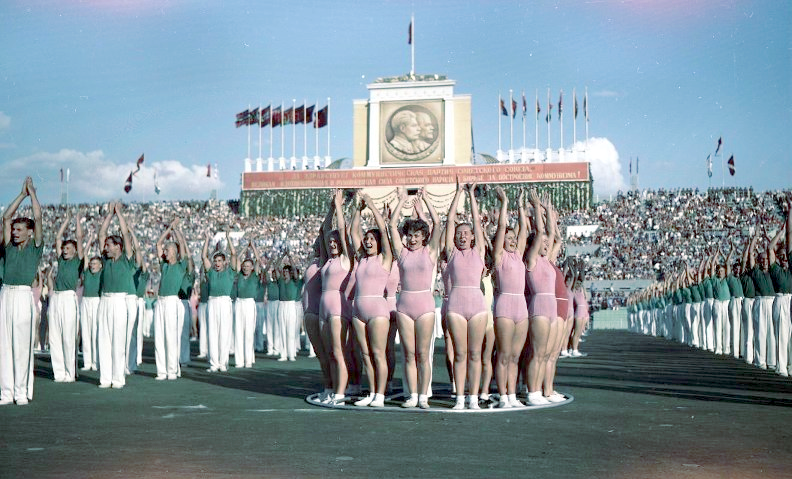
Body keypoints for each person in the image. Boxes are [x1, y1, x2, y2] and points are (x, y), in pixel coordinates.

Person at [389, 187, 442, 408]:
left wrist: (428, 201)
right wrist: (402, 202)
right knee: (408, 354)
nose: (412, 239)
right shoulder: (401, 252)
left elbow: (438, 225)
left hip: (425, 307)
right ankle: (412, 395)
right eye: (409, 235)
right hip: (404, 307)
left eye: (416, 235)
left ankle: (423, 397)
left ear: (424, 237)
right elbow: (391, 225)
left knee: (423, 354)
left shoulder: (429, 252)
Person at [0, 177, 43, 405]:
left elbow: (37, 217)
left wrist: (33, 194)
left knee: (22, 345)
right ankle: (6, 392)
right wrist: (21, 195)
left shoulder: (35, 248)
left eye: (19, 230)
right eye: (14, 230)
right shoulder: (9, 247)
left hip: (23, 295)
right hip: (6, 293)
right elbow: (5, 217)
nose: (15, 232)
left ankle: (20, 391)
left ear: (29, 232)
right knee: (4, 345)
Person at [349, 191, 392, 408]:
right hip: (358, 311)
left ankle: (381, 395)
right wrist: (358, 208)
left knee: (377, 353)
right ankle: (372, 392)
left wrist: (373, 205)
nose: (367, 241)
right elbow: (352, 231)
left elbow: (384, 229)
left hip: (378, 310)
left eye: (372, 239)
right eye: (366, 239)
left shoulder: (385, 259)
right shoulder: (361, 259)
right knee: (365, 354)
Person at [491, 187, 530, 408]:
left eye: (514, 239)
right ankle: (503, 395)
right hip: (505, 306)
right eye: (509, 238)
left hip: (521, 309)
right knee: (504, 354)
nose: (513, 241)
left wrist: (521, 205)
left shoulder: (519, 256)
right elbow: (503, 226)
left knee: (515, 356)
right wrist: (505, 202)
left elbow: (524, 229)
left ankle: (512, 395)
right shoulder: (499, 257)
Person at [319, 190, 354, 405]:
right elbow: (325, 230)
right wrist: (331, 207)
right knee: (329, 351)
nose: (332, 244)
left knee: (339, 351)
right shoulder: (327, 261)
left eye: (335, 242)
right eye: (329, 242)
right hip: (324, 307)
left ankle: (341, 392)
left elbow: (341, 230)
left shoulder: (345, 258)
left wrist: (340, 207)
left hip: (338, 308)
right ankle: (331, 388)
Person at [96, 201, 135, 389]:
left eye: (109, 245)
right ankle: (105, 378)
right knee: (103, 339)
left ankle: (118, 379)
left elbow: (125, 234)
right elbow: (101, 234)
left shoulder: (126, 259)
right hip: (105, 300)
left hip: (120, 301)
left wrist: (118, 213)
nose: (105, 248)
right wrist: (109, 215)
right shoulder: (105, 259)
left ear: (118, 247)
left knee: (118, 341)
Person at [523, 189, 556, 406]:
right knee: (536, 352)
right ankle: (532, 392)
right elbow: (541, 231)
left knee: (546, 353)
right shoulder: (532, 259)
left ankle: (542, 391)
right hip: (539, 306)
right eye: (542, 242)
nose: (546, 244)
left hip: (551, 307)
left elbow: (551, 234)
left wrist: (548, 210)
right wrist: (536, 208)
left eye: (546, 243)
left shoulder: (548, 259)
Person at [48, 209, 84, 383]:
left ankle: (70, 372)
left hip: (69, 298)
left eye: (68, 248)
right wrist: (65, 221)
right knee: (55, 336)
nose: (64, 250)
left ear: (75, 251)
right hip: (56, 297)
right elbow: (57, 238)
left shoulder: (78, 261)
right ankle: (59, 372)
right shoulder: (61, 260)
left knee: (69, 337)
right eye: (64, 248)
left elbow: (80, 238)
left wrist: (76, 220)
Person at [154, 219, 192, 380]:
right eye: (166, 250)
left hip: (171, 302)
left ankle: (172, 370)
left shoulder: (181, 265)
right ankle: (161, 371)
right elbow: (158, 244)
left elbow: (182, 244)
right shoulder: (164, 265)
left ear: (176, 252)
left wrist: (176, 230)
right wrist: (169, 228)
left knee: (171, 337)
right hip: (160, 301)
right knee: (159, 338)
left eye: (168, 250)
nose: (165, 251)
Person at [202, 230, 237, 373]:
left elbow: (234, 255)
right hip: (212, 302)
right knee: (213, 333)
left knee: (224, 333)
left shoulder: (230, 272)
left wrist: (228, 238)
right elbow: (203, 256)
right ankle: (213, 363)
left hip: (224, 302)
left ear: (224, 262)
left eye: (219, 261)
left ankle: (223, 363)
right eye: (215, 261)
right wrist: (207, 240)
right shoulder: (211, 273)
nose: (217, 263)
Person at [234, 241, 262, 368]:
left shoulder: (255, 276)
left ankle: (248, 360)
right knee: (239, 332)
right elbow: (236, 259)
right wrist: (245, 247)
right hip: (239, 303)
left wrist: (253, 247)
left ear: (252, 267)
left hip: (250, 303)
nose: (245, 268)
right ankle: (239, 361)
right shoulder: (239, 275)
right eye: (244, 266)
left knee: (249, 332)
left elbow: (258, 260)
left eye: (248, 266)